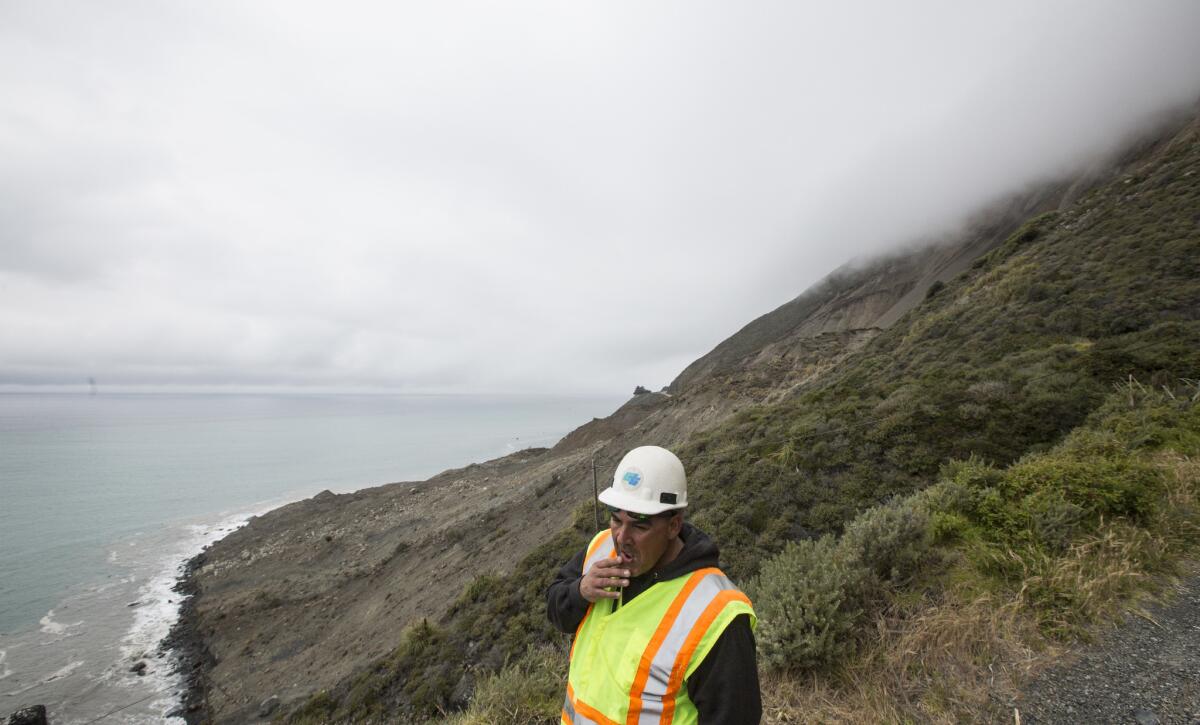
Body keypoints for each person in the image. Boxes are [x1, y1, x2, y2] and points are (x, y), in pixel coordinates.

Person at [547, 445, 761, 724]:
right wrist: (580, 592)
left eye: (640, 526)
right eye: (616, 519)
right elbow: (555, 610)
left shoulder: (716, 614)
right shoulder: (600, 550)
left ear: (673, 525)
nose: (621, 538)